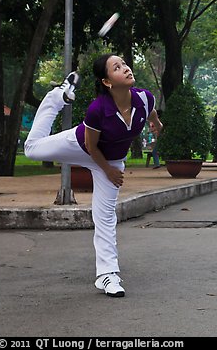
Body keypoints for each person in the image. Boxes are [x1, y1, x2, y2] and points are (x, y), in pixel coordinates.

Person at [24, 53, 163, 297]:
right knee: (31, 150)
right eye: (117, 67)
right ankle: (56, 97)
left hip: (111, 161)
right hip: (81, 146)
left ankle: (108, 276)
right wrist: (107, 170)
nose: (126, 69)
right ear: (107, 81)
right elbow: (90, 146)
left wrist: (156, 123)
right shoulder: (98, 109)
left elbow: (150, 111)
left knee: (106, 216)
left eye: (125, 64)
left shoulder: (144, 97)